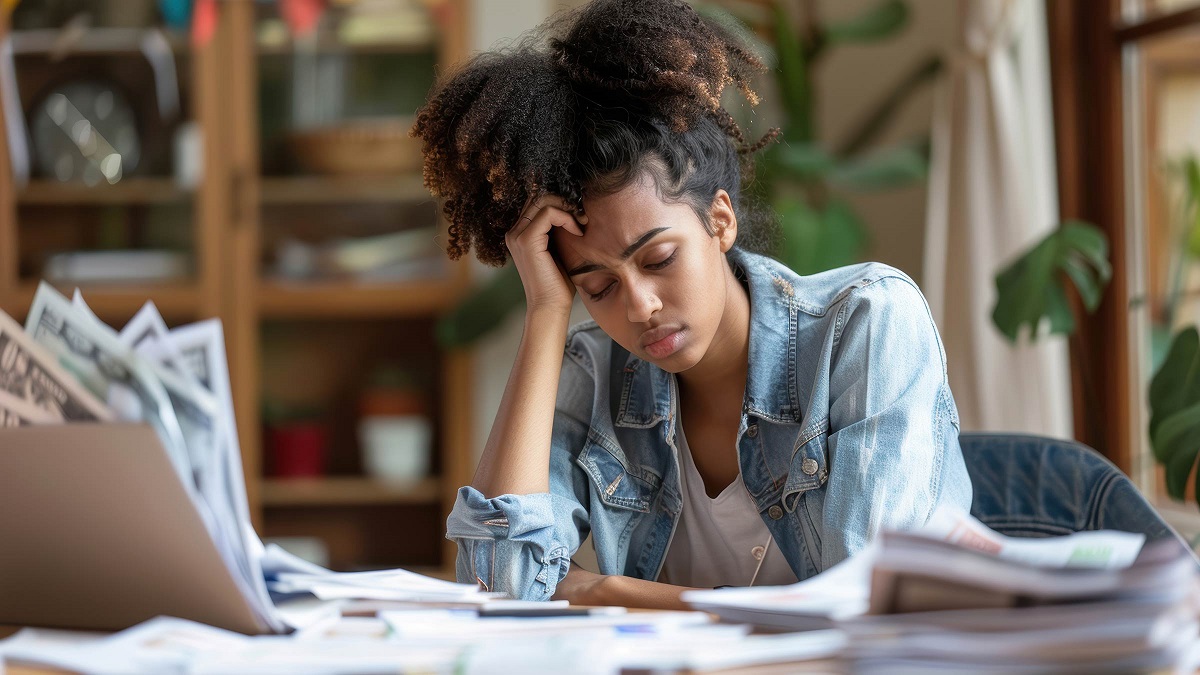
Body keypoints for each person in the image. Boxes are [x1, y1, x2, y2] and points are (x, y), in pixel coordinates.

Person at [412, 0, 972, 609]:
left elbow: (865, 601)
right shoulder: (595, 373)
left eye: (658, 260)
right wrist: (547, 312)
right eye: (597, 287)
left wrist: (601, 587)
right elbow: (498, 589)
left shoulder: (867, 323)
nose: (640, 306)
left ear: (720, 219)